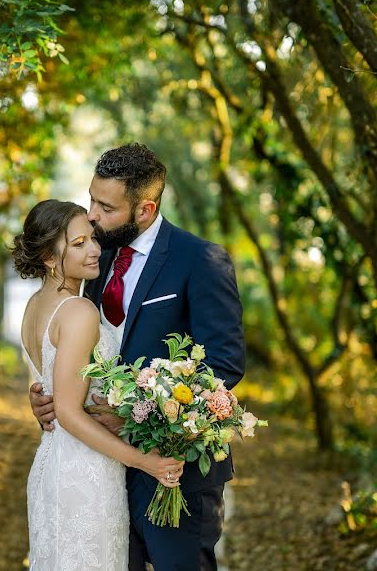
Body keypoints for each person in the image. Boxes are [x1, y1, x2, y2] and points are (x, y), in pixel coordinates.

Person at [29, 144, 245, 571]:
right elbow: (67, 345)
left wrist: (136, 416)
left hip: (173, 471)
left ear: (145, 209)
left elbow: (223, 363)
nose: (91, 214)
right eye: (91, 198)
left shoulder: (200, 260)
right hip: (101, 472)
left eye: (105, 207)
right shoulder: (94, 256)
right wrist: (46, 393)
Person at [14, 199, 185, 571]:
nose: (95, 250)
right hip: (84, 470)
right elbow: (69, 412)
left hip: (51, 463)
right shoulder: (79, 311)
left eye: (92, 238)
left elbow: (51, 390)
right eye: (78, 245)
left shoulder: (33, 306)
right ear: (48, 256)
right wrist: (148, 463)